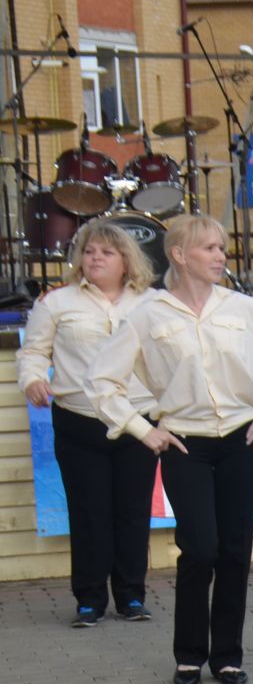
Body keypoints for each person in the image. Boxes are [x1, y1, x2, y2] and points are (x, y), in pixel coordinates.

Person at [88, 214, 253, 684]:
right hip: (183, 442)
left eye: (222, 249)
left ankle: (227, 657)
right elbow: (102, 381)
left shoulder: (242, 308)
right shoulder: (148, 315)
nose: (219, 257)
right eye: (209, 248)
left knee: (235, 550)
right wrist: (141, 430)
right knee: (200, 548)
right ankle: (189, 654)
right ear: (179, 254)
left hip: (241, 440)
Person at [18, 221, 160, 627]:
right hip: (80, 420)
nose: (95, 258)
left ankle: (132, 596)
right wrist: (32, 379)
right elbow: (33, 352)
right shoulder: (56, 303)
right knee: (88, 511)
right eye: (89, 251)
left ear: (126, 261)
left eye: (106, 252)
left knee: (132, 511)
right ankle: (89, 599)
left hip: (137, 420)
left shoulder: (152, 302)